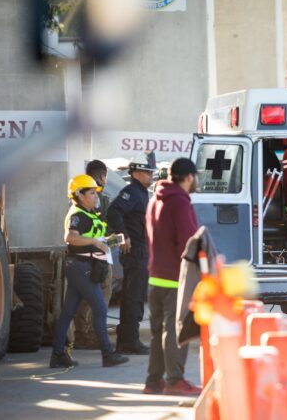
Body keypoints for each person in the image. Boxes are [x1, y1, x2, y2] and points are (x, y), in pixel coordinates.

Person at [50, 174, 129, 368]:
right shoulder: (77, 215)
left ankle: (58, 355)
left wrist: (118, 240)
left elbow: (100, 244)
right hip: (80, 267)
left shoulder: (91, 214)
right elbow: (71, 238)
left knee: (68, 312)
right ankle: (108, 354)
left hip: (85, 267)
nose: (96, 196)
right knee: (100, 308)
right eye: (92, 193)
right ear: (79, 195)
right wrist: (94, 241)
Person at [143, 158, 202, 395]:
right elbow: (188, 245)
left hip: (155, 277)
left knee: (158, 334)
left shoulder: (155, 200)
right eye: (196, 176)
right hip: (175, 279)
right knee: (176, 332)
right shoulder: (180, 202)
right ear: (188, 177)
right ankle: (175, 380)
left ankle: (153, 382)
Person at [108, 151, 157, 354]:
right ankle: (128, 340)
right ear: (136, 172)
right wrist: (123, 235)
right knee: (132, 297)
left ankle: (129, 339)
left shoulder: (142, 193)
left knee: (136, 297)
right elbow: (113, 212)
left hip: (141, 251)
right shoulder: (131, 192)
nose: (151, 177)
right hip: (134, 252)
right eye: (147, 172)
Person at [72, 160, 113, 349]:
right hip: (95, 255)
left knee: (87, 296)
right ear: (102, 176)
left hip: (86, 255)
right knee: (99, 294)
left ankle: (87, 333)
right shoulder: (99, 198)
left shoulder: (78, 196)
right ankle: (87, 334)